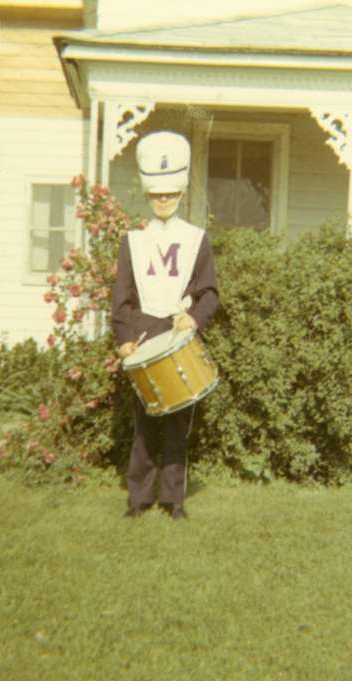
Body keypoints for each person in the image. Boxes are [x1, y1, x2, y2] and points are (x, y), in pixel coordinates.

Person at [111, 130, 219, 520]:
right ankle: (139, 499)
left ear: (180, 194)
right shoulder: (133, 241)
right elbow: (121, 297)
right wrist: (124, 338)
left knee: (177, 423)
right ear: (147, 195)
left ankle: (174, 499)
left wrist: (193, 318)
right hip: (143, 337)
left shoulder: (196, 239)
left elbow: (209, 293)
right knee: (144, 423)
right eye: (157, 195)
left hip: (176, 337)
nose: (163, 201)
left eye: (170, 195)